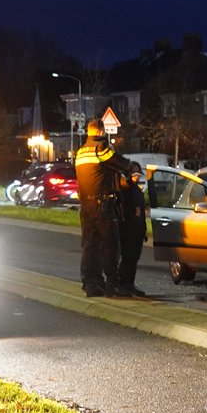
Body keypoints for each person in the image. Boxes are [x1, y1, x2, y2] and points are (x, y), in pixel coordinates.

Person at [73, 120, 130, 297]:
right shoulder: (100, 148)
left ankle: (91, 283)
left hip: (86, 206)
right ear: (100, 131)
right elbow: (119, 163)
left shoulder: (81, 152)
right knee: (110, 245)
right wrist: (131, 167)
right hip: (103, 205)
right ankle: (112, 285)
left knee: (90, 245)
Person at [115, 160, 150, 297]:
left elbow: (140, 210)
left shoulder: (137, 190)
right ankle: (123, 284)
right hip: (128, 228)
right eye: (134, 174)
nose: (137, 177)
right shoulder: (125, 189)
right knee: (127, 257)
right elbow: (124, 208)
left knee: (134, 258)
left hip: (137, 228)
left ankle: (129, 284)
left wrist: (144, 229)